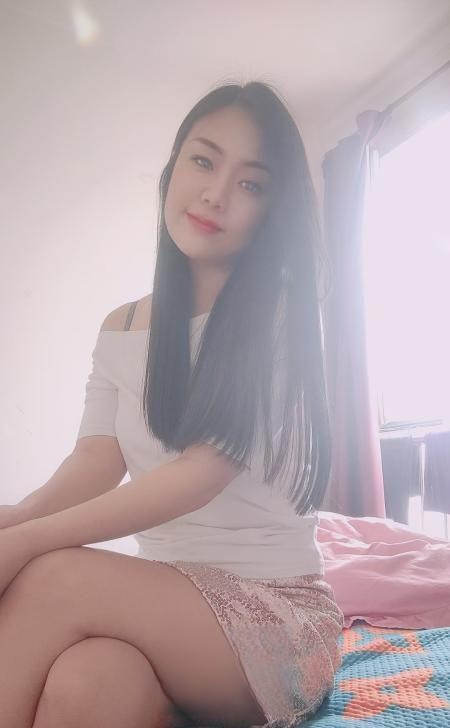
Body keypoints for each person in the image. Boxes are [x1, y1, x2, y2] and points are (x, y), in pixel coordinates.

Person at [0, 81, 343, 728]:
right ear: (172, 169)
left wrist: (29, 541)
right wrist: (17, 519)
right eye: (204, 160)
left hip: (274, 615)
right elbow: (95, 459)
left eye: (251, 184)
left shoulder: (279, 316)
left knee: (51, 576)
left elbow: (199, 474)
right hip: (168, 613)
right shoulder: (122, 326)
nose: (216, 193)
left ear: (272, 210)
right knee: (86, 681)